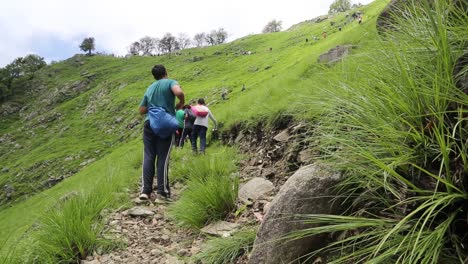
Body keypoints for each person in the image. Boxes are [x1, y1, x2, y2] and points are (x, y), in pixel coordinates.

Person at [138, 64, 185, 201]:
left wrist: (153, 109)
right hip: (165, 124)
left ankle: (145, 191)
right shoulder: (171, 82)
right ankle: (162, 192)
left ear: (154, 76)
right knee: (163, 158)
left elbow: (141, 110)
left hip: (149, 124)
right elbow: (178, 92)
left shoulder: (150, 88)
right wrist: (181, 103)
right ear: (166, 72)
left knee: (148, 156)